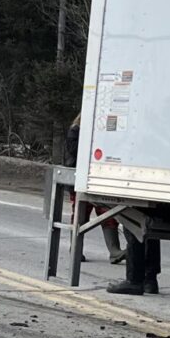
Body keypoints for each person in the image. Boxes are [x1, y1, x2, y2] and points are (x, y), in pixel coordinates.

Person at [64, 111, 124, 264]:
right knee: (80, 215)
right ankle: (75, 249)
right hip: (81, 178)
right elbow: (76, 153)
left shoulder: (102, 134)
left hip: (99, 177)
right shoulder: (75, 131)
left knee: (107, 213)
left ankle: (114, 251)